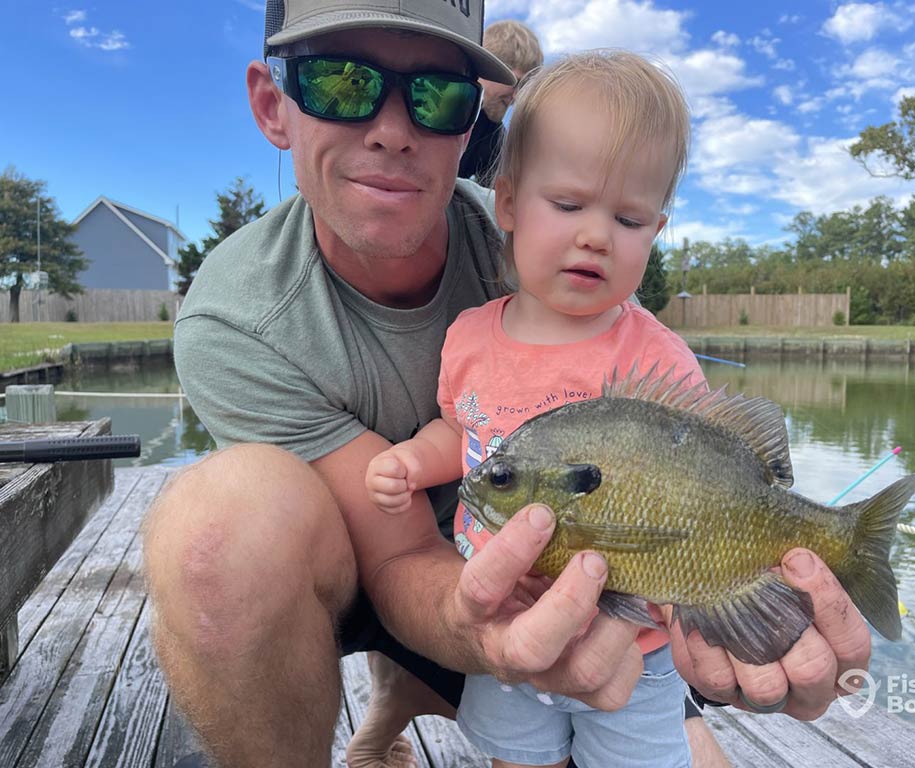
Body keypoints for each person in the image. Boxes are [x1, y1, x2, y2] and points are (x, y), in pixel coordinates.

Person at [141, 1, 875, 767]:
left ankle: (405, 697)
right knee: (213, 539)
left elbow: (670, 447)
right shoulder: (235, 319)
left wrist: (726, 624)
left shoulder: (548, 256)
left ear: (470, 128)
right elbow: (396, 554)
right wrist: (487, 631)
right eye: (341, 81)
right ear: (272, 105)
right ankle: (395, 696)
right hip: (373, 575)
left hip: (550, 584)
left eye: (436, 93)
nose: (392, 128)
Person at [366, 50, 705, 768]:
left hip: (634, 644)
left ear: (656, 229)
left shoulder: (654, 357)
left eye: (630, 217)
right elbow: (462, 430)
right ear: (510, 203)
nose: (596, 234)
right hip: (500, 625)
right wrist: (409, 463)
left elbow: (700, 475)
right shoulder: (471, 335)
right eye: (570, 204)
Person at [458, 20, 542, 187]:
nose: (517, 97)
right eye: (516, 82)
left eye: (524, 88)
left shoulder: (495, 138)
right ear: (490, 67)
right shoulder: (442, 105)